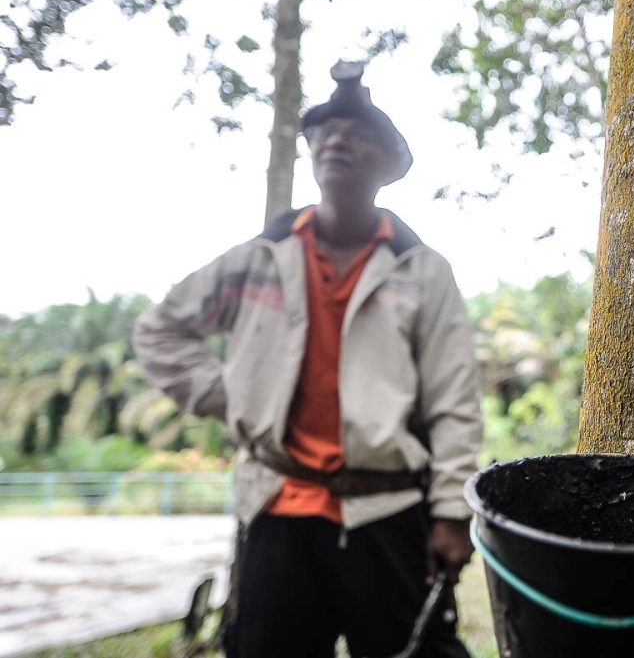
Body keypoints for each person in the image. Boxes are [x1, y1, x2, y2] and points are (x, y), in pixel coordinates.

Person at [132, 61, 482, 658]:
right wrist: (234, 395)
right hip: (277, 505)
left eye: (358, 132)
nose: (339, 139)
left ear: (387, 162)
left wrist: (451, 512)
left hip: (387, 509)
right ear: (313, 150)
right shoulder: (258, 259)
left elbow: (454, 399)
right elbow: (159, 331)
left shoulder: (422, 271)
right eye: (326, 131)